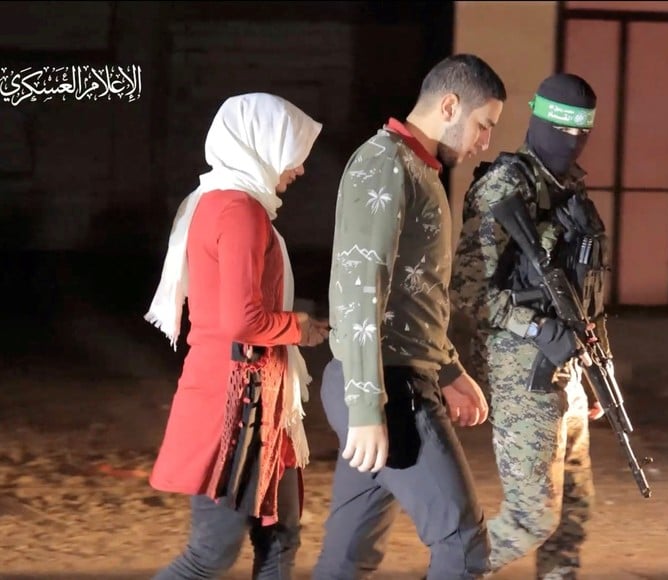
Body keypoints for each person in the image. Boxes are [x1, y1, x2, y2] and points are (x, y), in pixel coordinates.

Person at [312, 54, 506, 580]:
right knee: (465, 549)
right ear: (449, 106)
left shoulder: (417, 169)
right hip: (387, 386)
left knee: (349, 556)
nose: (484, 141)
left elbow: (411, 295)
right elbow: (358, 288)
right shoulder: (386, 164)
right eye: (483, 125)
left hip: (392, 379)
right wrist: (367, 405)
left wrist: (449, 370)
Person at [144, 92, 330, 579]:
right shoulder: (240, 212)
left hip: (258, 396)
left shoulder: (222, 202)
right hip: (234, 404)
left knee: (281, 536)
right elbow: (243, 320)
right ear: (261, 143)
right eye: (293, 152)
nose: (300, 168)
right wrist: (301, 328)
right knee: (212, 554)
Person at [450, 72, 610, 579]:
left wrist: (595, 365)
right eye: (562, 130)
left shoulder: (569, 191)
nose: (572, 141)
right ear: (540, 120)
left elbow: (584, 293)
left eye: (581, 131)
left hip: (568, 369)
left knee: (573, 515)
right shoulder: (505, 187)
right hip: (521, 370)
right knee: (531, 517)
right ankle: (452, 572)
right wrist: (539, 331)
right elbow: (471, 296)